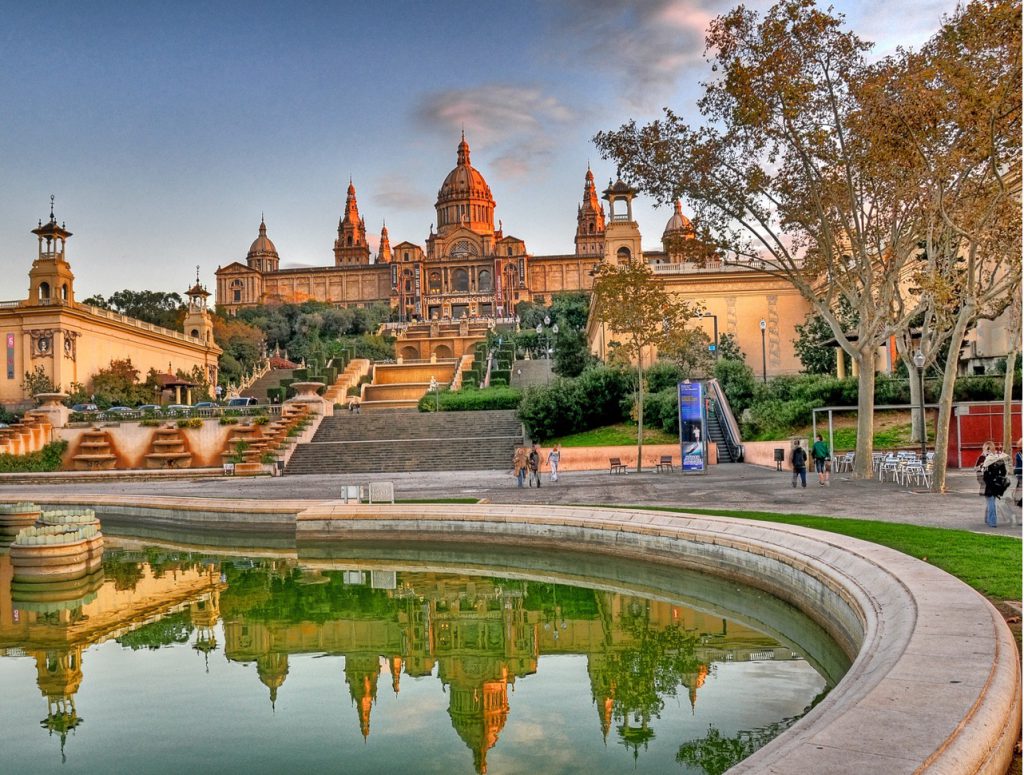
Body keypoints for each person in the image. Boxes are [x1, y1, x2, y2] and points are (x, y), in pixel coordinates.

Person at [979, 447, 1011, 528]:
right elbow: (1004, 472)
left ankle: (992, 522)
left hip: (990, 485)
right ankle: (988, 520)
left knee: (991, 503)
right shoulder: (1001, 461)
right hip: (998, 485)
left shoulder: (987, 461)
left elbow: (985, 476)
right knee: (991, 503)